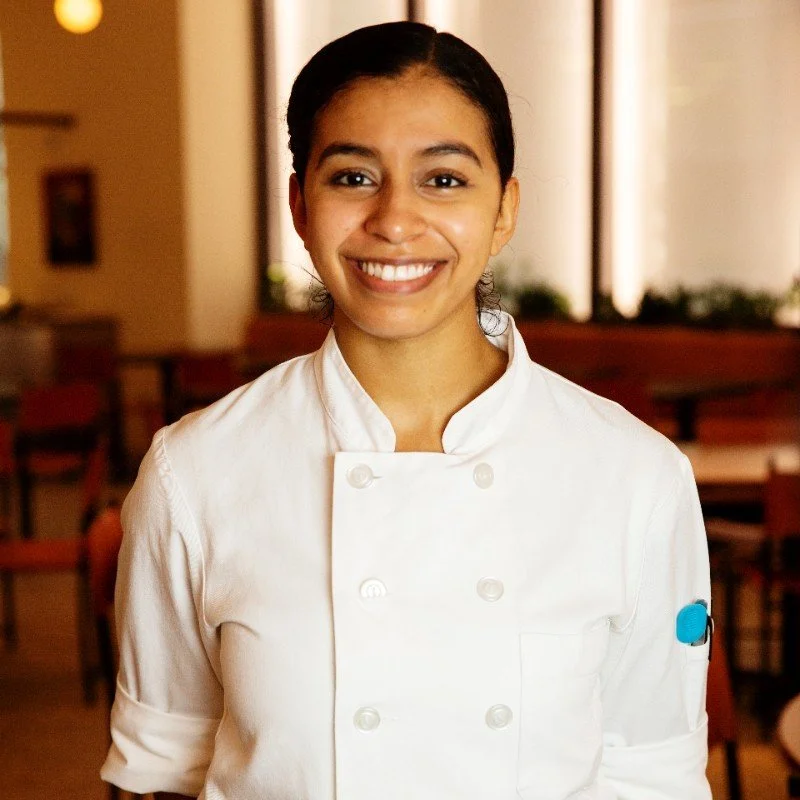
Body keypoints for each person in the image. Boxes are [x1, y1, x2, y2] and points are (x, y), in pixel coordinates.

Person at [101, 21, 712, 800]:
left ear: (504, 210)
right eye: (352, 177)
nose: (394, 220)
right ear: (299, 204)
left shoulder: (636, 478)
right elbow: (159, 774)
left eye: (445, 180)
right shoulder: (195, 473)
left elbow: (651, 775)